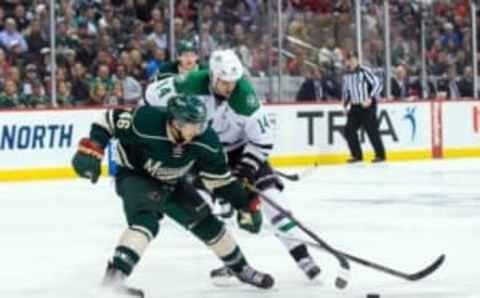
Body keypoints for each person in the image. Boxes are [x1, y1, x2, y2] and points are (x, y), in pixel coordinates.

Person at [143, 49, 321, 282]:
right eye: (225, 82)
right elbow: (151, 96)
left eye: (233, 82)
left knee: (273, 200)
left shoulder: (245, 97)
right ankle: (233, 262)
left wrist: (246, 169)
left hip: (240, 149)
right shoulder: (192, 81)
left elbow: (263, 141)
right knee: (211, 214)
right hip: (205, 153)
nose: (230, 87)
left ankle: (303, 257)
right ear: (214, 76)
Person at [71, 95, 274, 297]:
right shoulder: (146, 120)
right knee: (146, 220)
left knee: (206, 221)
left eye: (201, 125)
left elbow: (219, 180)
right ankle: (114, 278)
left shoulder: (206, 141)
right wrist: (94, 147)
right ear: (176, 122)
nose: (199, 130)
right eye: (193, 125)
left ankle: (240, 268)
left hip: (172, 180)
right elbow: (107, 120)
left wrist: (245, 203)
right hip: (135, 174)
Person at [342, 54, 385, 163]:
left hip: (367, 105)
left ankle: (380, 155)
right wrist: (344, 105)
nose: (351, 62)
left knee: (372, 131)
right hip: (355, 106)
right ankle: (357, 155)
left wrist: (370, 98)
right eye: (349, 60)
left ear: (357, 60)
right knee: (348, 130)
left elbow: (378, 84)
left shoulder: (364, 71)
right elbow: (347, 91)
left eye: (353, 60)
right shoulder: (346, 75)